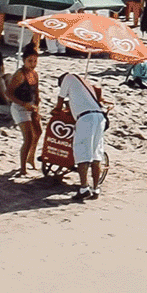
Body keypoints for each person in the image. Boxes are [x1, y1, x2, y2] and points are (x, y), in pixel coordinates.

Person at [57, 66, 107, 198]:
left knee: (82, 153)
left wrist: (56, 110)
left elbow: (60, 100)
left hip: (86, 119)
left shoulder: (68, 78)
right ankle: (96, 188)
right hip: (99, 116)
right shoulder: (84, 84)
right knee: (96, 154)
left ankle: (84, 188)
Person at [6, 44, 43, 176]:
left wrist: (36, 107)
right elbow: (8, 93)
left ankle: (30, 158)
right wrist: (23, 104)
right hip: (19, 107)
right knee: (28, 137)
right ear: (24, 61)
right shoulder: (19, 74)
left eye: (35, 61)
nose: (33, 64)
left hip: (31, 106)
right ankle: (23, 168)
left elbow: (36, 92)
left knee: (38, 132)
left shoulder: (34, 74)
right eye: (30, 61)